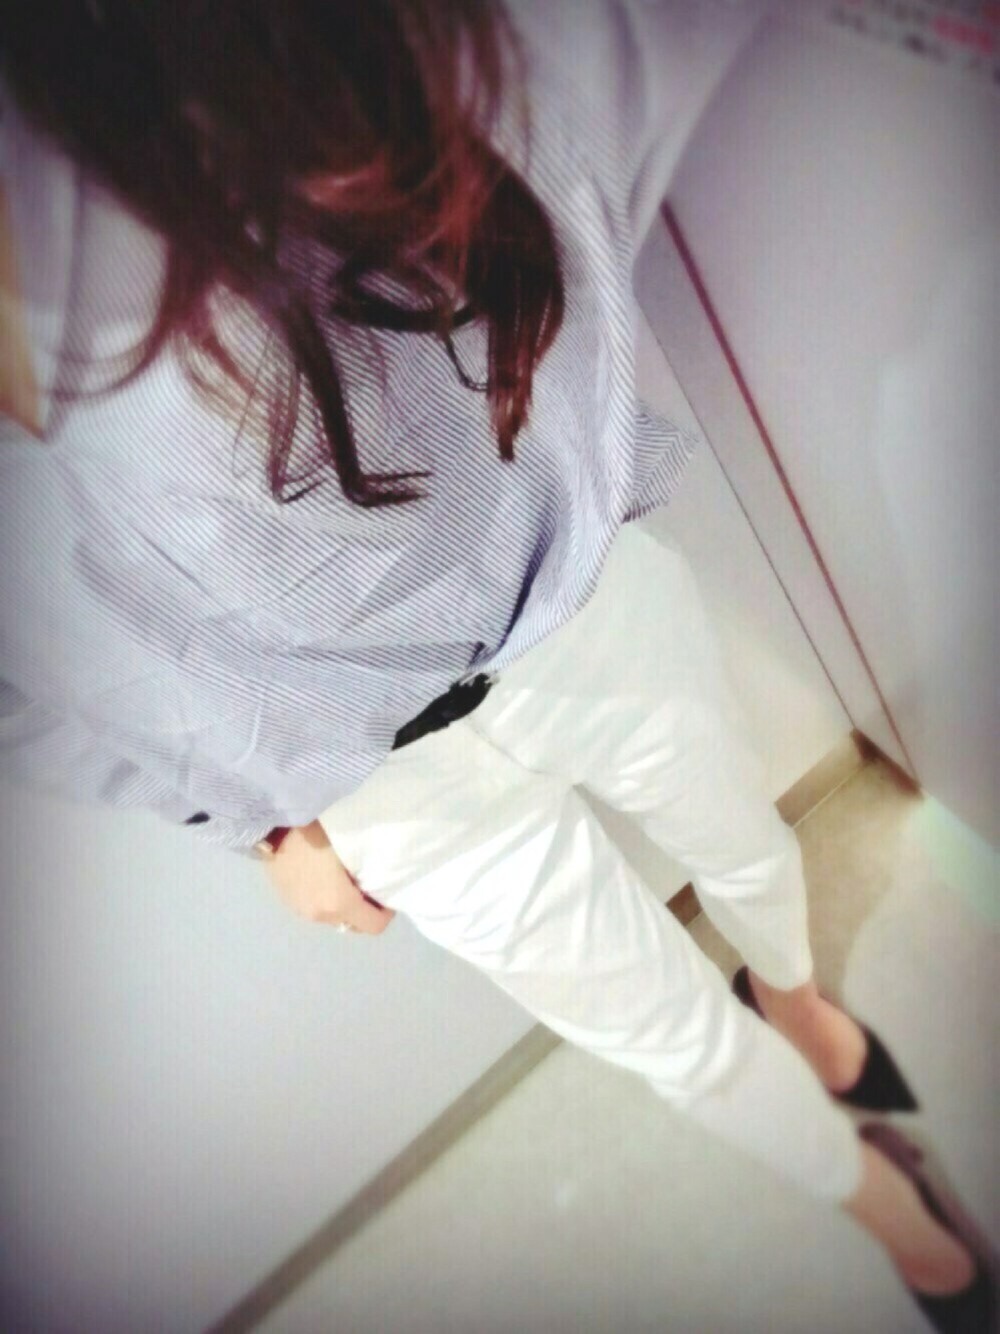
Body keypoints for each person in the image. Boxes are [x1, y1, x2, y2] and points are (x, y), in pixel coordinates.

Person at [0, 3, 990, 1328]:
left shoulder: (215, 76)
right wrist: (254, 824)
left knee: (744, 840)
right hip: (364, 788)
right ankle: (875, 1198)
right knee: (660, 1032)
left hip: (568, 602)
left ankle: (797, 1000)